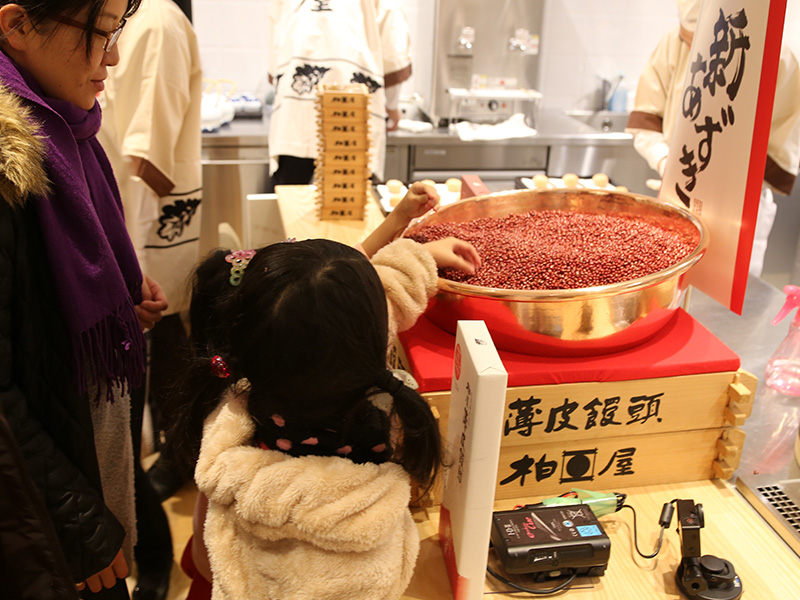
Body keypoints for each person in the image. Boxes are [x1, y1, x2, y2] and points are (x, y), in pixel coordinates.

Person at [171, 183, 480, 599]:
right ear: (371, 339)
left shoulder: (234, 432)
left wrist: (416, 251)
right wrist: (413, 254)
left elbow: (208, 563)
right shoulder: (376, 462)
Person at [0, 0, 168, 597]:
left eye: (117, 30)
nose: (115, 55)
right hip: (47, 512)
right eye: (100, 34)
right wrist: (76, 524)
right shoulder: (8, 162)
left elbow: (38, 310)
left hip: (84, 460)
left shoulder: (63, 126)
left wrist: (121, 302)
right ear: (17, 25)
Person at [97, 1, 202, 596]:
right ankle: (174, 454)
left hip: (144, 208)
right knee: (164, 342)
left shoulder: (156, 18)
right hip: (128, 204)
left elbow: (149, 146)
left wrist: (119, 238)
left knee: (162, 338)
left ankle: (178, 454)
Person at [626, 0, 800, 276]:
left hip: (741, 209)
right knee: (671, 288)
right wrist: (667, 163)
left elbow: (781, 141)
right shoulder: (673, 44)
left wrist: (726, 181)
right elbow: (647, 121)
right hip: (677, 195)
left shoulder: (780, 59)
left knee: (727, 302)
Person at [266, 0, 412, 190]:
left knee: (291, 198)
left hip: (296, 112)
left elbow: (276, 41)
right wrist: (392, 106)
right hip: (352, 114)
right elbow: (393, 49)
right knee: (350, 204)